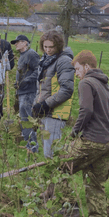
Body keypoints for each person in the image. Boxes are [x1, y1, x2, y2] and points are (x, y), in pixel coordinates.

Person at [58, 50, 109, 217]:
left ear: (87, 66)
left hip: (91, 141)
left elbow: (86, 110)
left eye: (77, 69)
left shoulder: (86, 83)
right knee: (95, 185)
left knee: (61, 168)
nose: (76, 73)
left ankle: (69, 208)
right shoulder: (108, 88)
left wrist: (74, 132)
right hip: (108, 144)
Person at [32, 30, 75, 158]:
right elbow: (41, 87)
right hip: (45, 111)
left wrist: (45, 104)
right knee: (47, 150)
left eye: (51, 47)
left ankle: (58, 177)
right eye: (45, 47)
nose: (48, 50)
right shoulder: (46, 60)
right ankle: (48, 177)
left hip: (56, 112)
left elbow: (67, 89)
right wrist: (36, 104)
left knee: (51, 154)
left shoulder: (64, 61)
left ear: (58, 46)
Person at [10, 35, 40, 152]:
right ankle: (29, 145)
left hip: (29, 91)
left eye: (18, 42)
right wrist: (17, 83)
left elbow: (39, 70)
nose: (16, 44)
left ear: (25, 43)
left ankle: (33, 147)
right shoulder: (22, 56)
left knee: (28, 119)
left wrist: (26, 80)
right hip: (22, 91)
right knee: (24, 120)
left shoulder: (31, 54)